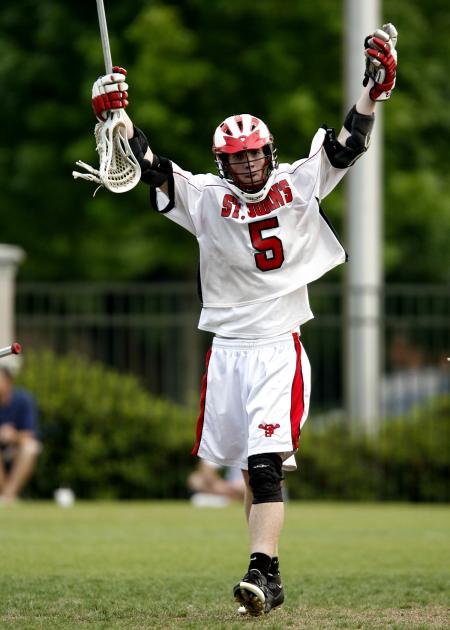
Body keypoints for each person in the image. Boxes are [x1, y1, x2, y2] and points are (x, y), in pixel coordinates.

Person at [90, 23, 397, 615]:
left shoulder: (297, 182)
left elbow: (344, 145)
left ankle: (265, 572)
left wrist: (371, 95)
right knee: (251, 470)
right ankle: (266, 575)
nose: (252, 164)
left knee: (264, 461)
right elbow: (153, 167)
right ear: (223, 163)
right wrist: (122, 124)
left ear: (270, 151)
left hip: (278, 346)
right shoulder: (205, 197)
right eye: (239, 157)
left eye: (257, 153)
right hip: (227, 351)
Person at [0, 367, 41, 503]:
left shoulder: (23, 400)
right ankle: (6, 496)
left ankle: (7, 496)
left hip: (15, 449)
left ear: (8, 382)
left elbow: (31, 434)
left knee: (31, 447)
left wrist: (13, 436)